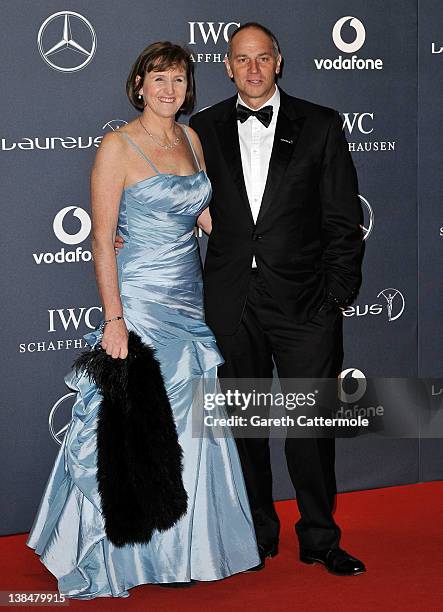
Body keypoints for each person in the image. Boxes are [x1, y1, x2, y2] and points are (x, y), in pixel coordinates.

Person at [27, 42, 260, 599]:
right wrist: (114, 319)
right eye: (159, 78)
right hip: (140, 302)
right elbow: (103, 239)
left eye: (179, 79)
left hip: (188, 300)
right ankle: (126, 558)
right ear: (139, 85)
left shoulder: (191, 138)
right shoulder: (117, 146)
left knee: (189, 426)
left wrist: (260, 248)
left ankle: (192, 551)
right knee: (137, 425)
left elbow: (204, 217)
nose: (169, 89)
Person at [188, 23, 366, 576]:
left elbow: (343, 219)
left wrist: (335, 295)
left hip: (306, 306)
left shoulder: (320, 124)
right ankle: (256, 534)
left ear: (279, 62)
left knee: (310, 429)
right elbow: (170, 192)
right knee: (244, 428)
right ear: (228, 66)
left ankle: (319, 537)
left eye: (263, 58)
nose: (253, 69)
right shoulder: (203, 128)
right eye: (242, 60)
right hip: (232, 303)